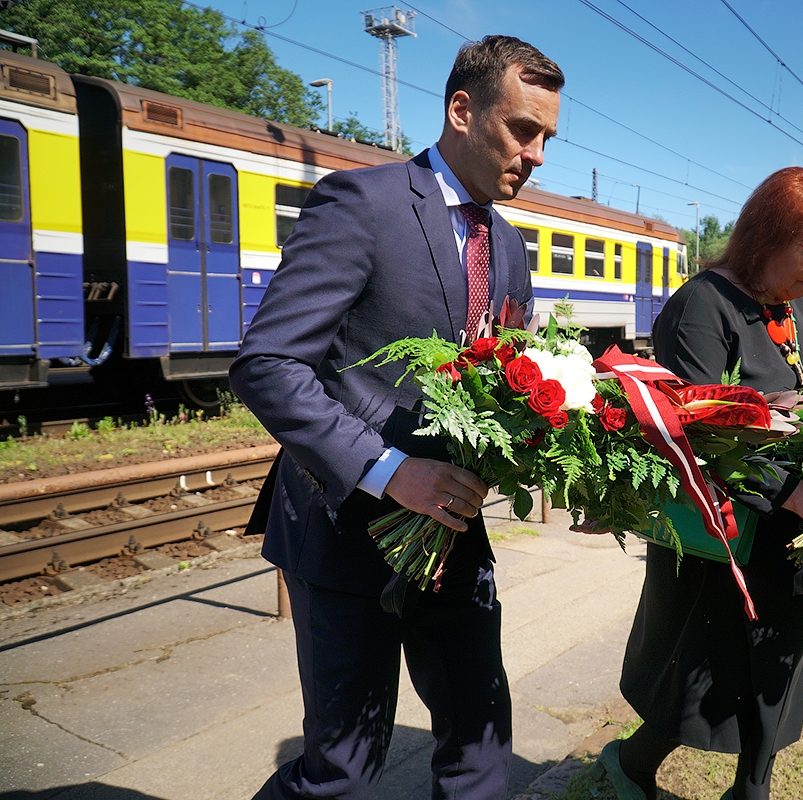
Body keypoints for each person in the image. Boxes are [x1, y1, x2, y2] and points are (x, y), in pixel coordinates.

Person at [229, 36, 562, 800]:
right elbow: (268, 364)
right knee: (342, 777)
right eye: (523, 130)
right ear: (462, 110)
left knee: (482, 750)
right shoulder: (362, 204)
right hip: (342, 530)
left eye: (547, 138)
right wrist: (389, 470)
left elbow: (500, 387)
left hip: (453, 533)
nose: (537, 155)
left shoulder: (509, 246)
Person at [586, 167, 803, 800]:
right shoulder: (702, 306)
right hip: (721, 531)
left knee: (776, 668)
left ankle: (749, 791)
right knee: (698, 669)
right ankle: (631, 763)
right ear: (767, 237)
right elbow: (693, 429)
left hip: (793, 532)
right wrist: (789, 491)